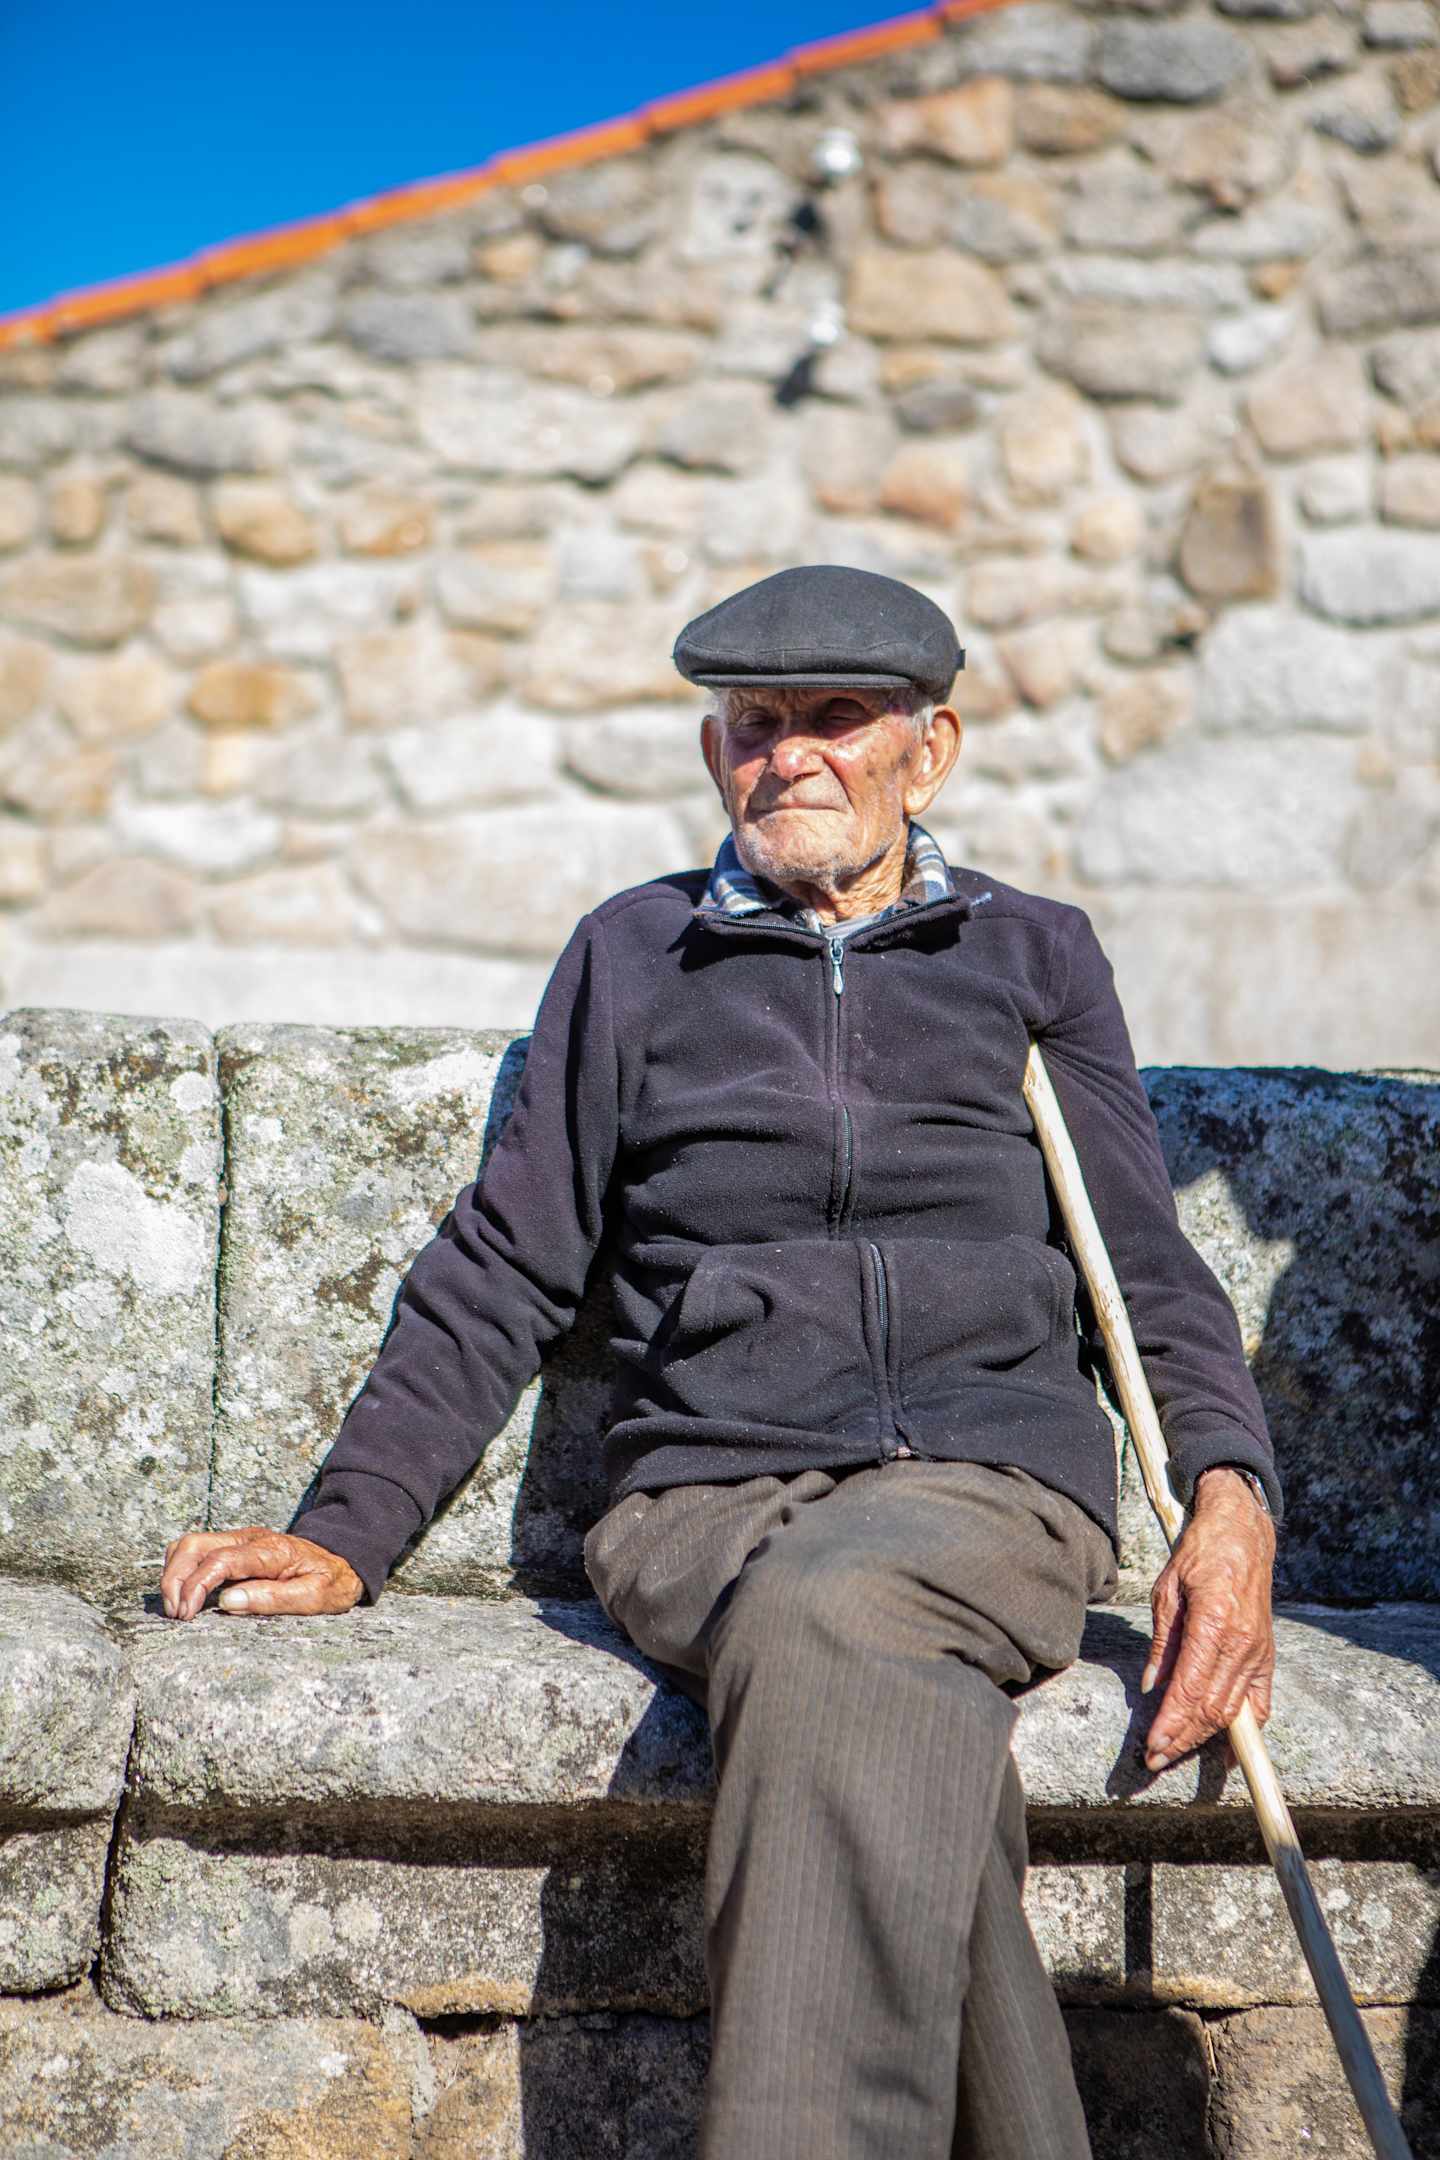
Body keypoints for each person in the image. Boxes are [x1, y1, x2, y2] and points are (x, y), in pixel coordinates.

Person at [161, 564, 1281, 2159]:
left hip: (984, 1484)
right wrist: (347, 1530)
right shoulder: (633, 957)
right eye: (757, 723)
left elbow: (1145, 1269)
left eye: (839, 719)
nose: (793, 755)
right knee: (867, 1689)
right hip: (706, 1495)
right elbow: (507, 1258)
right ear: (713, 757)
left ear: (930, 750)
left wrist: (1231, 1503)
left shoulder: (1032, 957)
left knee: (839, 1617)